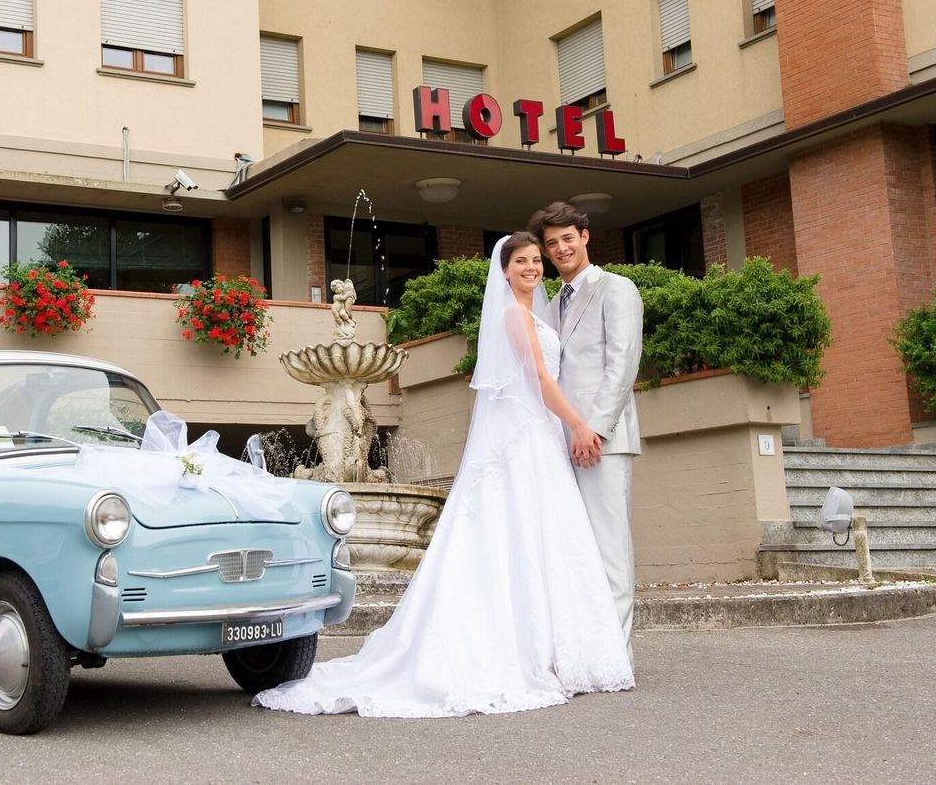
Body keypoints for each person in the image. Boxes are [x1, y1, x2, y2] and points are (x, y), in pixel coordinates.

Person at [252, 233, 634, 718]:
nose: (534, 268)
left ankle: (555, 652)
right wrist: (578, 422)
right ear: (504, 269)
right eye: (523, 261)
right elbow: (539, 381)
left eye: (537, 260)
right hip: (526, 438)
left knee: (539, 540)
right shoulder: (513, 317)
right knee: (514, 538)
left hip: (538, 440)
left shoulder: (534, 314)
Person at [530, 201, 644, 650]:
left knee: (610, 551)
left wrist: (593, 429)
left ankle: (616, 654)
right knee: (576, 552)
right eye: (552, 243)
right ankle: (584, 651)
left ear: (585, 237)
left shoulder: (616, 289)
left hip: (603, 442)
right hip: (561, 445)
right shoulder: (552, 304)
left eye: (567, 239)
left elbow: (622, 364)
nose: (560, 249)